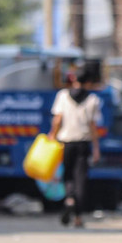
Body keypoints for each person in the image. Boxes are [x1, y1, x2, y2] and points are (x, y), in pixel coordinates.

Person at [48, 63, 102, 228]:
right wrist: (96, 149)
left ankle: (69, 198)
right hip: (83, 144)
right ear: (88, 82)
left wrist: (52, 136)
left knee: (68, 176)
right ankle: (78, 218)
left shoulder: (62, 96)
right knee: (81, 179)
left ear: (73, 79)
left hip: (66, 143)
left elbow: (57, 120)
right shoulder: (93, 100)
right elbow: (93, 127)